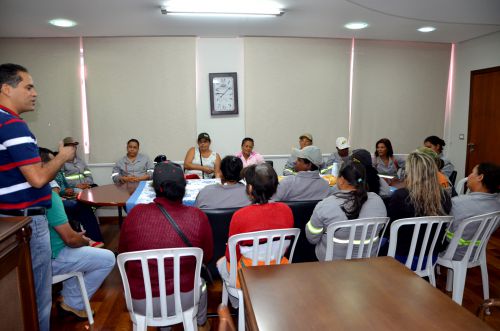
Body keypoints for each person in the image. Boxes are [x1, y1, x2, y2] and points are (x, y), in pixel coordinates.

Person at [0, 63, 76, 331]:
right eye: (28, 86)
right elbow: (38, 178)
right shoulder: (12, 124)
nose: (35, 93)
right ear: (6, 89)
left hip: (7, 223)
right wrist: (62, 157)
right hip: (27, 223)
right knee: (37, 297)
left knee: (14, 297)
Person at [119, 161, 213, 331]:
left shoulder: (135, 215)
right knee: (201, 281)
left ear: (156, 187)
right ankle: (201, 323)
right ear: (183, 187)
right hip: (185, 299)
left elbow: (123, 255)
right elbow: (206, 257)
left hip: (141, 301)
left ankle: (165, 327)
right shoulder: (197, 217)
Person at [217, 163, 294, 299]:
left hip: (248, 275)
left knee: (221, 262)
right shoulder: (286, 210)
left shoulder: (240, 215)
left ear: (250, 189)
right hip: (279, 269)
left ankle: (239, 304)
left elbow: (230, 257)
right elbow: (284, 247)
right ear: (275, 187)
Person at [46, 189, 115, 319]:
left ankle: (68, 298)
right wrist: (85, 242)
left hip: (31, 258)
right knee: (108, 259)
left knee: (81, 256)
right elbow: (71, 240)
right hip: (53, 257)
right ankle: (73, 303)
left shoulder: (15, 196)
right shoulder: (49, 196)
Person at [305, 161, 387, 261]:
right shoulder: (378, 201)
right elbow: (380, 228)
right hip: (368, 262)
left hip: (332, 264)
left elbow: (312, 238)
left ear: (342, 180)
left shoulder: (325, 205)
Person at [384, 151, 452, 259]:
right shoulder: (444, 196)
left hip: (401, 257)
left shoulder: (400, 196)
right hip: (431, 256)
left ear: (410, 172)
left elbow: (388, 231)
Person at [40, 147, 104, 245]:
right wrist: (66, 191)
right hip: (56, 203)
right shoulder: (39, 177)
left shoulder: (57, 173)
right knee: (81, 206)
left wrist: (71, 189)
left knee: (85, 204)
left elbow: (60, 188)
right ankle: (87, 238)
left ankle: (93, 239)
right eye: (53, 161)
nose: (56, 164)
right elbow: (55, 193)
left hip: (62, 199)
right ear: (43, 164)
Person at [444, 163, 500, 260]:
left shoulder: (457, 203)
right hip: (476, 253)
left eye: (472, 172)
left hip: (451, 253)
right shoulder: (497, 205)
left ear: (480, 177)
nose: (468, 176)